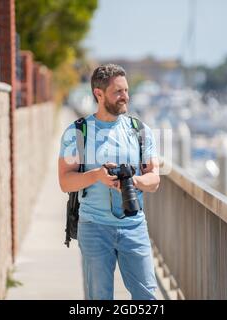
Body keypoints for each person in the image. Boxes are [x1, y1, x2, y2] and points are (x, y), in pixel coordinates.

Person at [58, 64, 160, 300]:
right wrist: (97, 176)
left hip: (134, 226)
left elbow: (154, 180)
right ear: (98, 94)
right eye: (118, 92)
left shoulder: (140, 131)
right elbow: (65, 181)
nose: (125, 96)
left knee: (147, 297)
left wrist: (134, 181)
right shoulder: (77, 133)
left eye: (126, 90)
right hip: (94, 228)